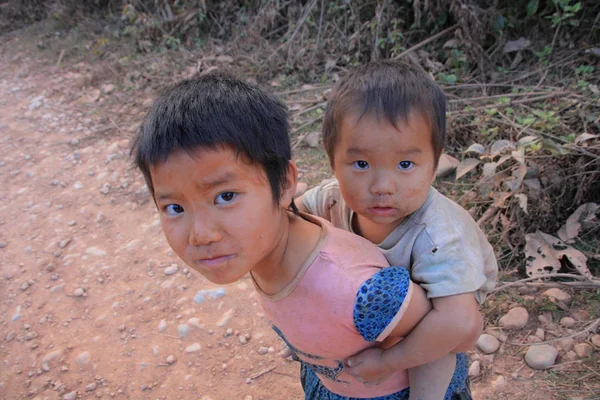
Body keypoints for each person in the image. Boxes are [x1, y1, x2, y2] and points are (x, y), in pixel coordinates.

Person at [131, 71, 471, 399]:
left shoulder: (375, 281)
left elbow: (458, 329)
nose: (201, 235)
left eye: (226, 196)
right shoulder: (312, 212)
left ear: (284, 183)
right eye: (175, 208)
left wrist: (388, 361)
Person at [295, 60, 498, 399]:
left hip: (438, 315)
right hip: (373, 306)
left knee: (434, 357)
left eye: (406, 164)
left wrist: (389, 361)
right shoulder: (332, 198)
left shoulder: (440, 235)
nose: (383, 186)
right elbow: (290, 220)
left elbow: (458, 325)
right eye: (361, 164)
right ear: (332, 161)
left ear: (434, 164)